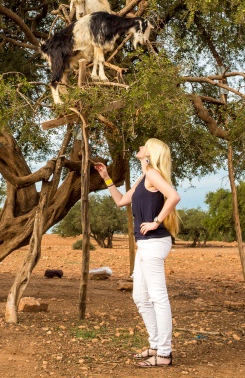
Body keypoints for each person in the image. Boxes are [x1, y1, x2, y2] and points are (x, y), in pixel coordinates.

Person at [95, 138, 181, 368]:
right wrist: (106, 178)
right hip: (145, 244)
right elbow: (121, 201)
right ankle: (155, 346)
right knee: (141, 298)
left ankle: (164, 354)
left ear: (149, 153)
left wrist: (155, 221)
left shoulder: (152, 174)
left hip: (154, 242)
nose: (139, 148)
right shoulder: (144, 177)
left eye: (143, 146)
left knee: (158, 298)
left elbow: (173, 196)